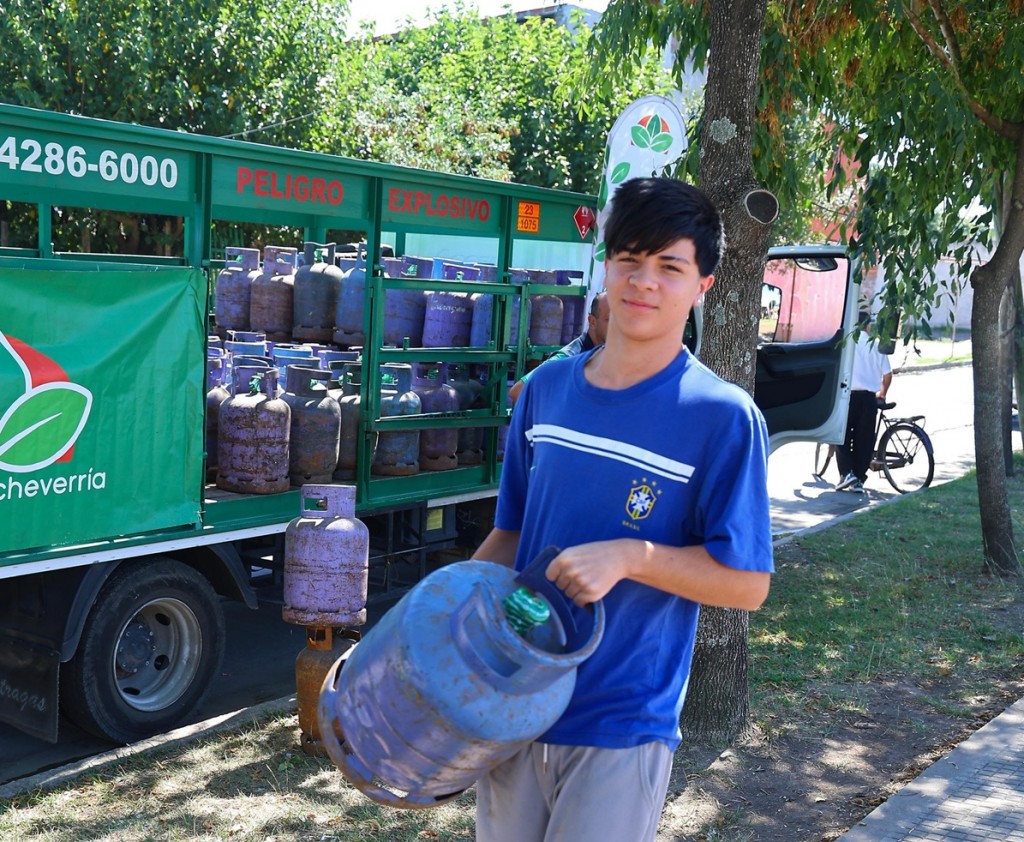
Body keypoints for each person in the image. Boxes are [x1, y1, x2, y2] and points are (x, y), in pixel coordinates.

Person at [471, 177, 774, 842]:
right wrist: (442, 625)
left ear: (704, 285)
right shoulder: (545, 391)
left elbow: (746, 584)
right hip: (513, 704)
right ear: (605, 267)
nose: (644, 282)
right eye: (629, 261)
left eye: (670, 267)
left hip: (622, 721)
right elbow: (509, 536)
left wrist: (633, 558)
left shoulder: (722, 419)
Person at [507, 291, 609, 404]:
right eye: (610, 320)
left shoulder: (606, 355)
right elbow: (518, 391)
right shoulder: (568, 357)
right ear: (592, 321)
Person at [835, 310, 893, 493]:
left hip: (848, 396)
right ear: (868, 326)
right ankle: (859, 479)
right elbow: (888, 374)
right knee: (864, 439)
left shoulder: (847, 343)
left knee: (842, 435)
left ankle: (846, 473)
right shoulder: (876, 345)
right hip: (869, 399)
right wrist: (882, 392)